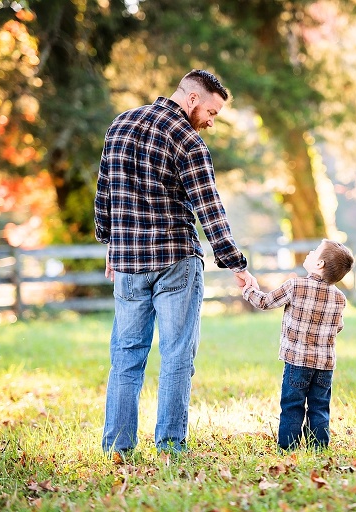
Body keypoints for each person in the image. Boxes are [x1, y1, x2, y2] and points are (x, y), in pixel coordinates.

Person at [94, 69, 257, 459]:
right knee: (177, 354)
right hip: (174, 262)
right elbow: (209, 208)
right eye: (212, 113)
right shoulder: (187, 139)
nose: (211, 122)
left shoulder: (120, 124)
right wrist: (236, 264)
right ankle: (169, 446)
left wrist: (110, 242)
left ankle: (117, 446)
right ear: (192, 99)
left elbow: (104, 194)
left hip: (129, 262)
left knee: (126, 356)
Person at [242, 239, 354, 450]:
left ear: (319, 264)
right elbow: (338, 326)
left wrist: (248, 290)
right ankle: (318, 448)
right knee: (319, 407)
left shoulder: (295, 285)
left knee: (292, 406)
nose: (310, 252)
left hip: (297, 362)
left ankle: (288, 448)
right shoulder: (340, 298)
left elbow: (265, 302)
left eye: (315, 251)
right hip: (324, 366)